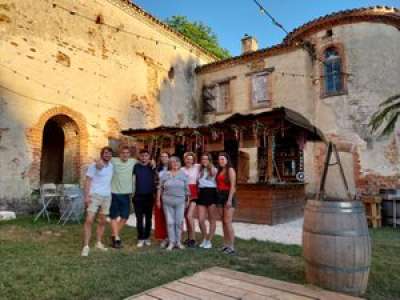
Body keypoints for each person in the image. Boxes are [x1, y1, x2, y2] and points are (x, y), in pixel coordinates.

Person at [99, 145, 137, 249]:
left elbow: (144, 162)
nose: (125, 155)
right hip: (114, 193)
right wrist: (98, 162)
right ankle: (116, 238)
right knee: (113, 216)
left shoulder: (133, 162)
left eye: (127, 153)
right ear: (119, 154)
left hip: (126, 194)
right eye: (123, 153)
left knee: (125, 216)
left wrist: (152, 162)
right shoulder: (113, 161)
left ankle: (113, 234)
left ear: (130, 154)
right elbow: (103, 159)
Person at [81, 147, 114, 257]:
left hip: (107, 197)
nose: (107, 155)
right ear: (101, 154)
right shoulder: (94, 166)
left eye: (109, 154)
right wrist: (86, 196)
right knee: (89, 220)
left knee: (103, 221)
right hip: (94, 196)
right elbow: (88, 181)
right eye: (105, 153)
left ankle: (98, 243)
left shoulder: (111, 166)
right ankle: (86, 246)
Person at [157, 156, 189, 251]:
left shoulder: (183, 174)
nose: (175, 164)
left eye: (177, 162)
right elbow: (160, 187)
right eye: (173, 162)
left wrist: (188, 200)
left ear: (180, 164)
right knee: (170, 222)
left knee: (179, 222)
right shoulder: (165, 174)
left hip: (180, 201)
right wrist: (158, 200)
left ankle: (178, 242)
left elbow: (187, 189)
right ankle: (171, 242)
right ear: (170, 164)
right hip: (167, 201)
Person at [133, 149, 158, 247]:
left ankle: (147, 237)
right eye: (142, 156)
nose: (144, 158)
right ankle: (140, 238)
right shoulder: (135, 167)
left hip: (149, 196)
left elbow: (158, 177)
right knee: (139, 219)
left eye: (146, 156)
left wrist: (154, 165)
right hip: (138, 196)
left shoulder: (152, 167)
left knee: (148, 218)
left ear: (149, 157)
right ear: (139, 156)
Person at [216, 152, 237, 255]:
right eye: (219, 159)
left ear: (227, 160)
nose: (221, 161)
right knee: (223, 222)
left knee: (228, 221)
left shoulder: (230, 170)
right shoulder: (220, 170)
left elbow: (233, 186)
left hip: (228, 196)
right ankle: (225, 245)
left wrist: (229, 200)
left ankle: (232, 247)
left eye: (223, 159)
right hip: (219, 196)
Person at [197, 153, 217, 249]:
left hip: (211, 193)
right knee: (201, 220)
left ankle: (209, 240)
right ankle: (205, 238)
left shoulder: (213, 169)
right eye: (203, 159)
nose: (204, 160)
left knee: (212, 219)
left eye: (206, 159)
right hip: (201, 193)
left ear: (210, 160)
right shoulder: (200, 169)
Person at [181, 152, 200, 248]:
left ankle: (193, 238)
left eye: (190, 159)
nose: (189, 160)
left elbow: (208, 165)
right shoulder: (181, 169)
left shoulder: (197, 167)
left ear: (193, 160)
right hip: (183, 194)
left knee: (189, 216)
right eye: (187, 159)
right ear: (184, 160)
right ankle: (189, 238)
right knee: (185, 217)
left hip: (193, 194)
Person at [154, 152, 169, 248]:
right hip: (160, 194)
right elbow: (156, 183)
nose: (164, 158)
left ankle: (169, 236)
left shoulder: (173, 168)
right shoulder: (157, 169)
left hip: (171, 195)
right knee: (160, 217)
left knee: (169, 217)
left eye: (166, 156)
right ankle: (162, 237)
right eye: (162, 156)